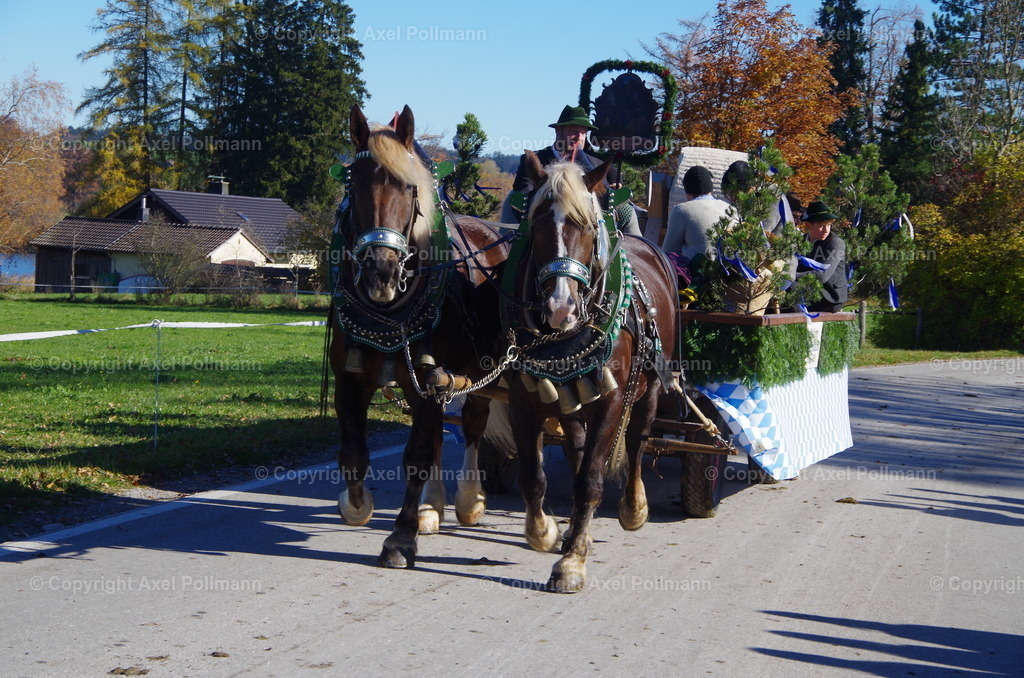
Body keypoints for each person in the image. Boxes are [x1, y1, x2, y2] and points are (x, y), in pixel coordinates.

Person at [502, 105, 640, 235]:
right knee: (510, 200)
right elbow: (523, 189)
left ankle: (631, 258)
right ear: (558, 131)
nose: (579, 137)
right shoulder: (536, 160)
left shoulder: (595, 163)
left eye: (583, 133)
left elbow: (611, 178)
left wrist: (616, 183)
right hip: (546, 220)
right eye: (574, 131)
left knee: (628, 211)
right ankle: (508, 253)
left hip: (587, 224)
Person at [661, 165, 732, 263]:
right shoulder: (730, 208)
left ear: (688, 193)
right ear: (711, 189)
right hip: (732, 273)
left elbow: (670, 253)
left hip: (698, 274)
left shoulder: (681, 210)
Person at [795, 200, 847, 312]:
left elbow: (822, 275)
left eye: (829, 225)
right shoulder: (798, 241)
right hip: (807, 290)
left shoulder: (835, 243)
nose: (826, 230)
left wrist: (790, 276)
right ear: (809, 225)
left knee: (792, 287)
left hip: (829, 295)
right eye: (821, 226)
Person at [720, 160, 794, 236]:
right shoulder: (750, 198)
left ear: (751, 186)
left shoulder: (770, 196)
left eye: (735, 193)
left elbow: (763, 233)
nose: (732, 198)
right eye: (728, 194)